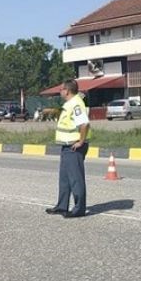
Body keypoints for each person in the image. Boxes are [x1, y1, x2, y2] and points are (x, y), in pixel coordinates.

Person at [45, 80, 90, 218]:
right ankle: (62, 206)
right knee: (64, 178)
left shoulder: (76, 103)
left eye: (61, 89)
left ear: (67, 90)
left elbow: (84, 124)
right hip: (66, 146)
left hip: (74, 147)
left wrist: (81, 141)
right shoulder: (69, 103)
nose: (60, 92)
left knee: (76, 179)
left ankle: (79, 209)